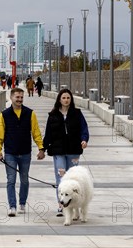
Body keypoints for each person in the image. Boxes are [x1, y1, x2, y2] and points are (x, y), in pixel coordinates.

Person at [0, 87, 45, 216]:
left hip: (25, 153)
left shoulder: (30, 113)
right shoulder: (4, 115)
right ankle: (12, 206)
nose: (19, 99)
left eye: (21, 97)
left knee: (24, 180)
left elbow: (36, 132)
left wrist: (41, 148)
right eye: (17, 97)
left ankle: (22, 203)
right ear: (11, 98)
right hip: (10, 153)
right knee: (11, 180)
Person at [42, 88, 89, 217]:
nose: (66, 100)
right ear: (59, 99)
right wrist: (42, 148)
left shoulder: (77, 114)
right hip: (58, 151)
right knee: (61, 178)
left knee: (73, 180)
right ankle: (61, 205)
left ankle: (75, 206)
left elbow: (84, 129)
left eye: (68, 98)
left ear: (71, 100)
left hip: (74, 151)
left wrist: (84, 140)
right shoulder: (53, 115)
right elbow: (48, 134)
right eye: (63, 98)